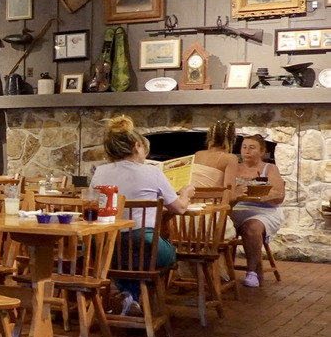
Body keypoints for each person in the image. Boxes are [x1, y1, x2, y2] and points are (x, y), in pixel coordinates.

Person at [89, 115, 194, 314]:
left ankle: (128, 295)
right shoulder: (152, 172)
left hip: (105, 247)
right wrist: (186, 193)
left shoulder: (100, 172)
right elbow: (179, 208)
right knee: (167, 254)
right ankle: (134, 296)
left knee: (121, 256)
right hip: (144, 246)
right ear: (137, 146)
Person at [231, 134, 285, 287]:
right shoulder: (234, 168)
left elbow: (278, 195)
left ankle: (252, 272)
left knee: (252, 227)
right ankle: (222, 271)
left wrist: (258, 191)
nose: (247, 151)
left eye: (252, 148)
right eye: (244, 147)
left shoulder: (269, 169)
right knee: (218, 224)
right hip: (237, 208)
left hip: (264, 211)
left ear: (262, 151)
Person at [191, 120, 239, 189]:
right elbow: (229, 193)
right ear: (232, 139)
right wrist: (237, 192)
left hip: (188, 198)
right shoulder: (230, 158)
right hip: (212, 199)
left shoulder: (198, 154)